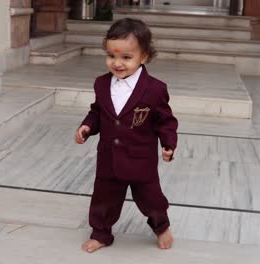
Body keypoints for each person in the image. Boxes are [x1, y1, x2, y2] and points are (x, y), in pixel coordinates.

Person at [74, 18, 179, 253]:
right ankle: (101, 233)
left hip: (141, 159)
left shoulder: (155, 89)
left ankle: (161, 226)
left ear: (144, 56)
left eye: (126, 57)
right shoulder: (101, 84)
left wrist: (169, 144)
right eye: (112, 56)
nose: (117, 63)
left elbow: (166, 121)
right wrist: (87, 126)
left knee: (151, 199)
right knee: (103, 198)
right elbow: (97, 111)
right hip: (109, 158)